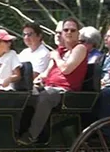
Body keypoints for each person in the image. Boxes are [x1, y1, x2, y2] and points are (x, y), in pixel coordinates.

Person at [17, 17, 88, 145]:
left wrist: (56, 57)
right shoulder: (61, 50)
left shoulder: (80, 48)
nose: (69, 32)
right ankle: (20, 132)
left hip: (67, 91)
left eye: (73, 30)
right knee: (25, 96)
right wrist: (38, 80)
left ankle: (32, 136)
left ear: (78, 33)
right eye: (66, 30)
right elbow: (46, 73)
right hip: (50, 87)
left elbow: (66, 69)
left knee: (45, 96)